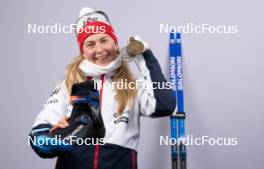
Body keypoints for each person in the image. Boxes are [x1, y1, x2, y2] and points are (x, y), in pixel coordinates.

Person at [29, 7, 176, 169]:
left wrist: (144, 55)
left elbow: (165, 105)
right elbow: (38, 139)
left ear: (115, 43)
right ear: (83, 52)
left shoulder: (133, 85)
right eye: (90, 44)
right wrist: (58, 137)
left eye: (104, 40)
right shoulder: (68, 84)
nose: (99, 49)